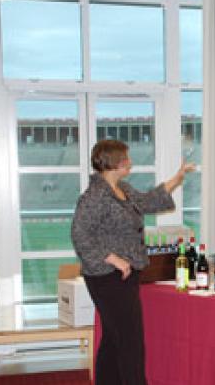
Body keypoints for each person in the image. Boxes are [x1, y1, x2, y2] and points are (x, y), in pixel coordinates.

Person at [71, 140, 195, 385]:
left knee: (114, 338)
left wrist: (176, 179)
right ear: (114, 163)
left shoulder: (123, 189)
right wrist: (113, 258)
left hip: (125, 275)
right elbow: (79, 234)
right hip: (106, 276)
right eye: (126, 159)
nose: (130, 162)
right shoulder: (94, 196)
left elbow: (148, 201)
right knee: (130, 340)